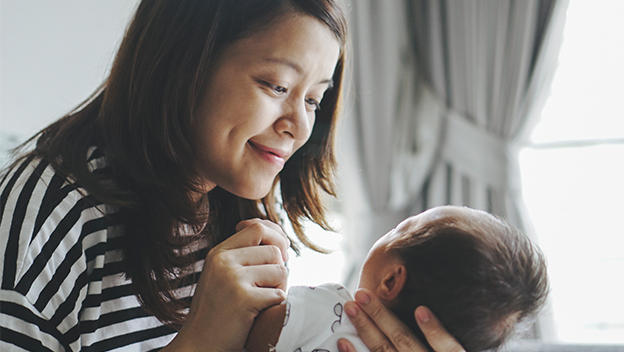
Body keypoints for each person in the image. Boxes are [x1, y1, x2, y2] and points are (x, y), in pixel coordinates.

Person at [0, 1, 467, 351]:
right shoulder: (44, 219)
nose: (299, 127)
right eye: (276, 86)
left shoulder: (243, 204)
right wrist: (199, 340)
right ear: (184, 62)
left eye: (313, 100)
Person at [245, 206, 549, 352]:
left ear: (391, 281)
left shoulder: (329, 308)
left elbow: (246, 330)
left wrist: (266, 269)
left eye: (402, 227)